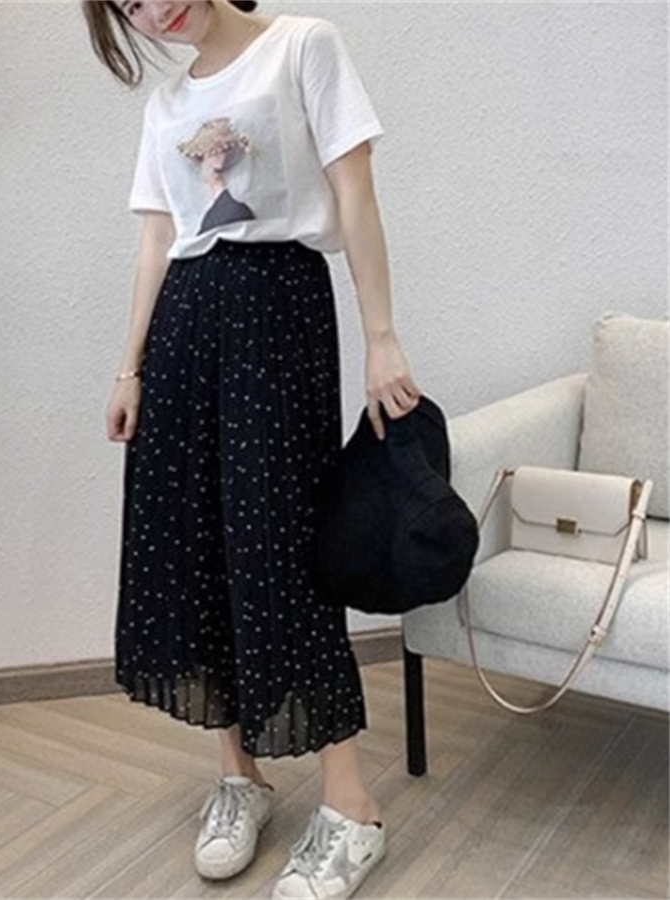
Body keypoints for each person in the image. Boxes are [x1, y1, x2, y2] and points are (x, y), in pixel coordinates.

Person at [86, 2, 422, 898]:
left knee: (280, 547)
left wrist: (381, 336)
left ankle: (351, 806)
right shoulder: (166, 104)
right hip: (184, 325)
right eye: (128, 5)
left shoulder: (303, 46)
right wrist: (129, 369)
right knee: (194, 546)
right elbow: (159, 237)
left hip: (279, 309)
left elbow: (355, 193)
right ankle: (240, 775)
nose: (154, 8)